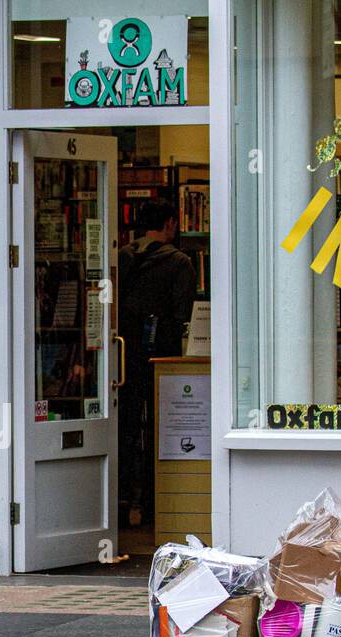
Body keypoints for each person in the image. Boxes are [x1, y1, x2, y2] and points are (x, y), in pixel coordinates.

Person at [117, 199, 197, 527]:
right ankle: (154, 503)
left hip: (123, 357)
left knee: (126, 426)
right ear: (168, 224)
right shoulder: (179, 263)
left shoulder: (121, 257)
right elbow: (184, 314)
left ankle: (120, 499)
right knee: (162, 428)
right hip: (164, 359)